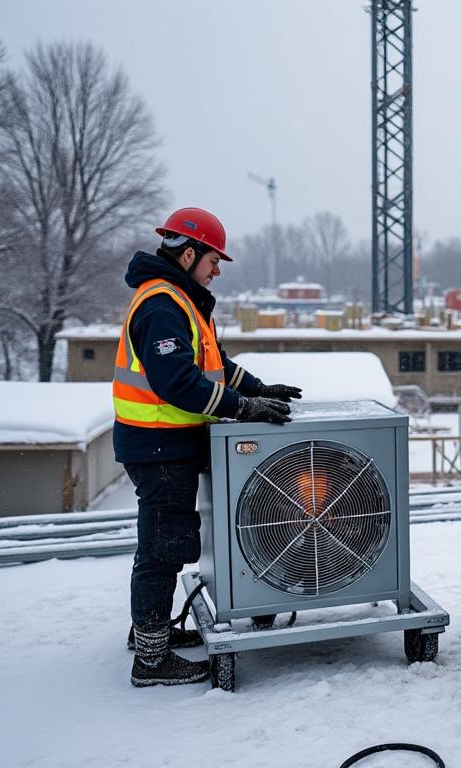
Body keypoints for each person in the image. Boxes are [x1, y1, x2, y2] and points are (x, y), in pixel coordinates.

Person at [113, 207, 302, 687]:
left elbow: (213, 364)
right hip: (159, 444)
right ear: (189, 254)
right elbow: (178, 382)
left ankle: (150, 633)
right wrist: (243, 407)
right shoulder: (162, 304)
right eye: (214, 260)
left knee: (164, 541)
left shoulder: (180, 299)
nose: (217, 271)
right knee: (163, 548)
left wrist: (258, 389)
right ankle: (151, 660)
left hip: (165, 443)